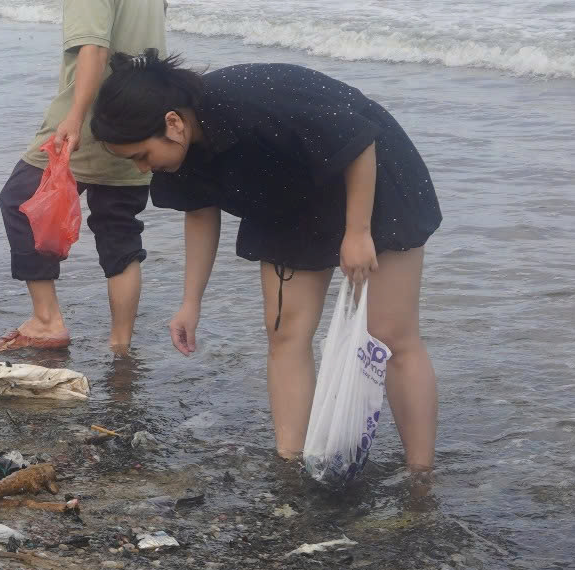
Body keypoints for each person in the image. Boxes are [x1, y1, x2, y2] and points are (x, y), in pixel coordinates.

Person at [93, 53, 442, 473]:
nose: (142, 168)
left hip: (372, 175)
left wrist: (357, 231)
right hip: (288, 198)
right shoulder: (180, 148)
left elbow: (357, 138)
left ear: (173, 123)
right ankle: (292, 465)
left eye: (141, 156)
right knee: (284, 330)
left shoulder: (252, 103)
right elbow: (201, 212)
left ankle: (421, 479)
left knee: (390, 336)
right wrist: (191, 302)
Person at [0, 0, 166, 356]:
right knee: (119, 231)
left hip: (91, 113)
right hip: (143, 111)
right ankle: (120, 349)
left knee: (20, 199)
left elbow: (93, 47)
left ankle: (47, 321)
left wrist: (73, 118)